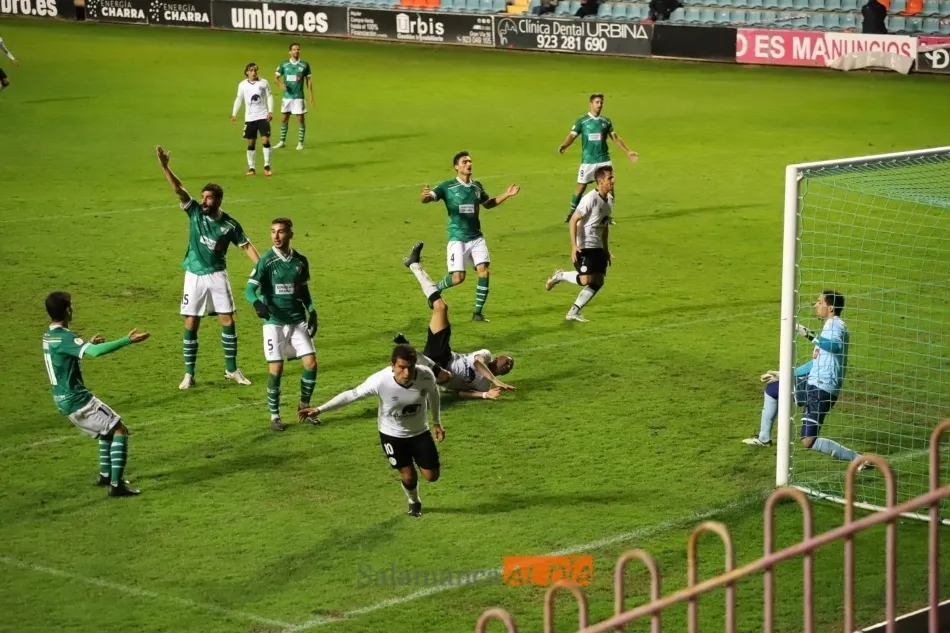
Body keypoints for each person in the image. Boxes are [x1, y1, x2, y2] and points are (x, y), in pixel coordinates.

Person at [156, 145, 260, 390]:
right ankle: (189, 374)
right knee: (191, 322)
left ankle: (232, 369)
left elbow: (246, 246)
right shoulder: (195, 213)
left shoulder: (230, 225)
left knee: (228, 319)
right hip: (194, 274)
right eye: (202, 197)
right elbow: (180, 191)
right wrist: (165, 167)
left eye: (208, 198)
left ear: (218, 201)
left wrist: (263, 266)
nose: (203, 201)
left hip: (217, 275)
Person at [297, 345, 443, 518]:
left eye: (410, 367)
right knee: (408, 475)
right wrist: (320, 409)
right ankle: (414, 501)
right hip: (392, 435)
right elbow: (352, 395)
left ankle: (417, 490)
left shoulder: (426, 375)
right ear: (392, 365)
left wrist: (436, 422)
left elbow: (434, 394)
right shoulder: (381, 381)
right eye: (401, 368)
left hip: (419, 432)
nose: (406, 373)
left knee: (432, 475)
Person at [744, 291, 871, 470]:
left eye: (819, 302)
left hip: (822, 390)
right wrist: (784, 374)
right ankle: (764, 438)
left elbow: (835, 347)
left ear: (831, 308)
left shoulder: (837, 325)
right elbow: (816, 363)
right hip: (813, 383)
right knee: (773, 389)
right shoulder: (829, 326)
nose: (815, 305)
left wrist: (809, 335)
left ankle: (858, 460)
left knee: (808, 440)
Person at [42, 292, 150, 497]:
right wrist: (127, 340)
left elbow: (64, 358)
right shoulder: (66, 337)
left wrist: (87, 343)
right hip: (78, 400)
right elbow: (96, 352)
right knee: (119, 430)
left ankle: (105, 475)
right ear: (67, 310)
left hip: (62, 399)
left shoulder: (48, 335)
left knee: (105, 429)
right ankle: (116, 486)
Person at [397, 241, 516, 400]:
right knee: (441, 307)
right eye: (508, 360)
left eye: (509, 367)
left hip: (441, 373)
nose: (508, 364)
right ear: (498, 356)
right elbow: (477, 364)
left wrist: (485, 394)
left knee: (443, 377)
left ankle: (410, 356)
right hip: (444, 355)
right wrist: (494, 380)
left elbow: (460, 393)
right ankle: (414, 264)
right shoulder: (486, 355)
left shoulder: (483, 385)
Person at [420, 151, 520, 323]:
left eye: (470, 161)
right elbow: (429, 198)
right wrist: (425, 197)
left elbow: (488, 204)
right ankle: (435, 290)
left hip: (476, 237)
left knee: (484, 272)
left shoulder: (477, 187)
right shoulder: (447, 187)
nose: (469, 164)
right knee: (458, 278)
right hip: (457, 238)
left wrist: (506, 194)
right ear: (456, 167)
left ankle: (477, 313)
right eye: (465, 162)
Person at [245, 217, 319, 432]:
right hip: (274, 323)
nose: (276, 236)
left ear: (290, 235)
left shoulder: (300, 261)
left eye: (281, 232)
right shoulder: (266, 261)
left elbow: (303, 290)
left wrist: (312, 310)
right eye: (273, 232)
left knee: (311, 364)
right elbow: (249, 289)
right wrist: (257, 303)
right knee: (276, 368)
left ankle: (305, 407)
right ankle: (275, 415)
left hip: (297, 320)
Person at [545, 165, 615, 323]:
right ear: (600, 181)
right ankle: (560, 276)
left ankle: (573, 312)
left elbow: (605, 226)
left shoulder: (609, 200)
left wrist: (606, 249)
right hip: (584, 244)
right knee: (586, 280)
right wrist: (574, 246)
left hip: (597, 245)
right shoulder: (590, 199)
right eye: (610, 178)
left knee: (598, 281)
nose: (613, 181)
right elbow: (573, 219)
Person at [558, 93, 638, 223]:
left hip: (604, 160)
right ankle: (572, 214)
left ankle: (606, 216)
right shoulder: (582, 121)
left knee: (610, 187)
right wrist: (564, 145)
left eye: (601, 102)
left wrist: (627, 151)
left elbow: (615, 138)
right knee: (581, 187)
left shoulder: (606, 121)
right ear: (591, 104)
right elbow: (572, 135)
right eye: (597, 102)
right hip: (588, 161)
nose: (599, 105)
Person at [231, 62, 274, 177]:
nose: (254, 72)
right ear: (247, 72)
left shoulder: (263, 83)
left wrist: (270, 111)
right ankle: (251, 167)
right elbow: (239, 98)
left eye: (255, 70)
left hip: (263, 116)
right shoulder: (243, 85)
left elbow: (269, 96)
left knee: (265, 141)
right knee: (251, 144)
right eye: (251, 70)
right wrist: (234, 113)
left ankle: (267, 166)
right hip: (250, 118)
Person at [273, 43, 313, 151]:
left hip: (299, 97)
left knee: (300, 119)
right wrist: (280, 84)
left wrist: (311, 95)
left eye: (298, 49)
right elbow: (275, 77)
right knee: (284, 119)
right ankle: (282, 141)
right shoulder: (284, 64)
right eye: (294, 49)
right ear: (290, 52)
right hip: (287, 97)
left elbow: (309, 80)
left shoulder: (305, 65)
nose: (296, 51)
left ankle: (300, 143)